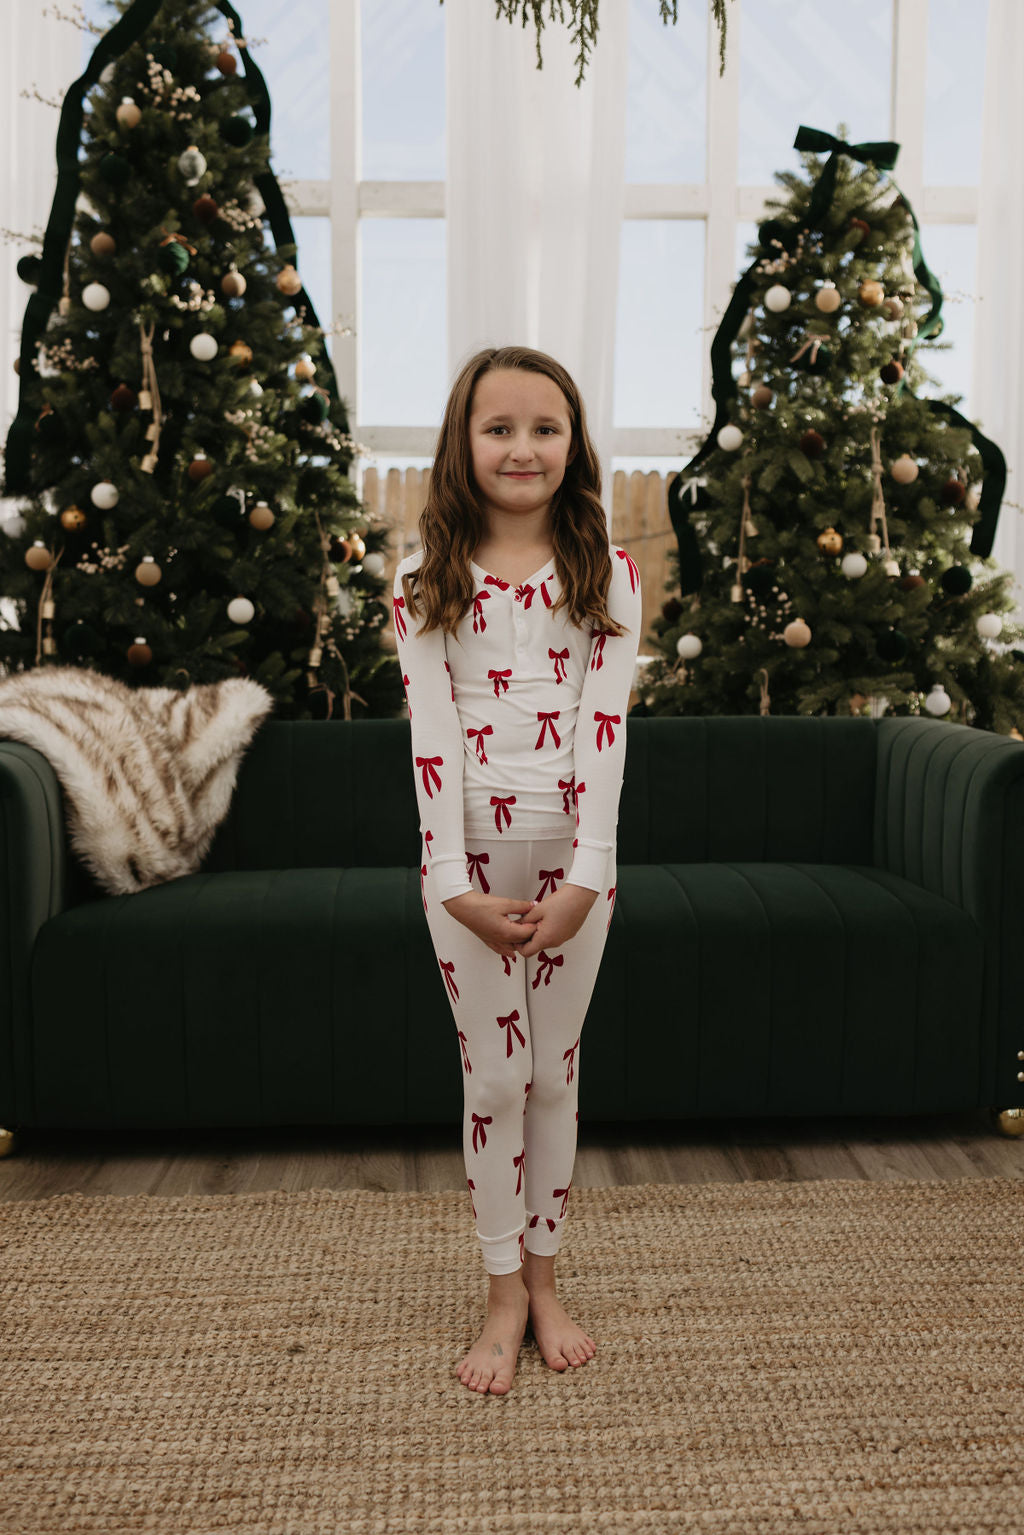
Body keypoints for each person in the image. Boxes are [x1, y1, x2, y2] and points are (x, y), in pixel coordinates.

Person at [392, 345, 642, 1396]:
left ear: (573, 441)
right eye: (498, 428)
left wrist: (587, 874)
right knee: (495, 1075)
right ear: (463, 444)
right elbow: (431, 732)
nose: (522, 447)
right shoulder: (421, 584)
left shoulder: (606, 576)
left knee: (554, 1072)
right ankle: (500, 1292)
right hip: (467, 866)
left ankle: (545, 1281)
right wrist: (451, 879)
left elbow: (605, 728)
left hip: (573, 862)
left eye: (545, 427)